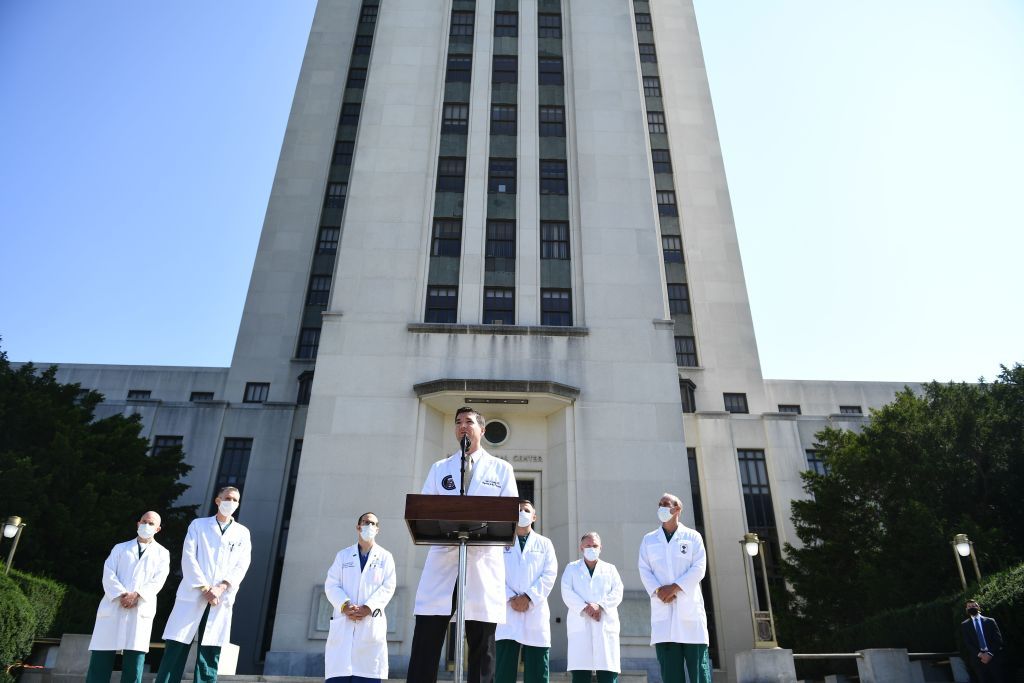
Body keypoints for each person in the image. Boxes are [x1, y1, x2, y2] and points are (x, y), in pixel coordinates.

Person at [407, 406, 518, 683]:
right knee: (427, 638)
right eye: (458, 422)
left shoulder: (502, 469)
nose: (462, 426)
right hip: (445, 559)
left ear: (482, 430)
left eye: (469, 422)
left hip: (481, 562)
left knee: (482, 644)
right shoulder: (440, 468)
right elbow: (424, 510)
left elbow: (510, 515)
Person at [155, 487, 252, 683]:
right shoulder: (198, 525)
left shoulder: (242, 533)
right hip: (194, 593)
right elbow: (188, 558)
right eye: (227, 498)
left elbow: (242, 565)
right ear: (218, 500)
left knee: (210, 650)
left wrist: (221, 587)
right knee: (177, 645)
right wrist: (205, 588)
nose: (231, 503)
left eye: (235, 500)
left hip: (220, 598)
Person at [85, 511, 171, 683]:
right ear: (138, 524)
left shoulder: (162, 553)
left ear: (158, 529)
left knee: (134, 662)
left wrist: (137, 595)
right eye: (144, 522)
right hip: (114, 605)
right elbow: (108, 573)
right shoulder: (120, 548)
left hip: (140, 609)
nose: (146, 525)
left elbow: (159, 580)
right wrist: (122, 594)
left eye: (151, 523)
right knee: (101, 658)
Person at [637, 493, 710, 683]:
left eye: (666, 504)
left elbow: (699, 567)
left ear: (677, 509)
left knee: (699, 675)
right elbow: (644, 570)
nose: (661, 507)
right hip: (664, 617)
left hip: (690, 615)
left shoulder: (693, 537)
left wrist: (675, 587)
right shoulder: (649, 540)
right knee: (670, 675)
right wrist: (659, 591)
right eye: (659, 504)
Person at [324, 512, 397, 683]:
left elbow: (388, 587)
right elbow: (331, 584)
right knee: (339, 676)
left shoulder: (385, 557)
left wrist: (368, 608)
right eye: (366, 523)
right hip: (344, 625)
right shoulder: (343, 556)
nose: (369, 526)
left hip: (369, 629)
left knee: (367, 674)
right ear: (358, 527)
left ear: (377, 529)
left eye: (373, 524)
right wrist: (345, 605)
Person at [494, 500, 557, 683]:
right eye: (519, 510)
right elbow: (494, 573)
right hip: (508, 609)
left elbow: (550, 573)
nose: (522, 513)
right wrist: (511, 598)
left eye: (526, 510)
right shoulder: (500, 543)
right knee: (504, 669)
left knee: (537, 668)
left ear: (534, 516)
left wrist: (529, 597)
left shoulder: (545, 544)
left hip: (535, 610)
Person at [561, 532, 624, 683]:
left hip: (604, 625)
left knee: (607, 672)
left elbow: (618, 591)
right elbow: (566, 591)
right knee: (581, 673)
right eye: (588, 546)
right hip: (581, 625)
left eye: (595, 546)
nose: (591, 548)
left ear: (601, 548)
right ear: (581, 548)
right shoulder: (571, 568)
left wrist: (600, 606)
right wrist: (586, 608)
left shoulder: (610, 569)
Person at [960, 600, 1005, 683]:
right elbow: (967, 642)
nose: (972, 607)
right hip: (978, 660)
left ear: (978, 607)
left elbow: (998, 640)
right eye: (969, 606)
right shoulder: (965, 625)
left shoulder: (990, 621)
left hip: (994, 658)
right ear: (966, 609)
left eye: (974, 605)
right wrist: (980, 654)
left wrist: (989, 654)